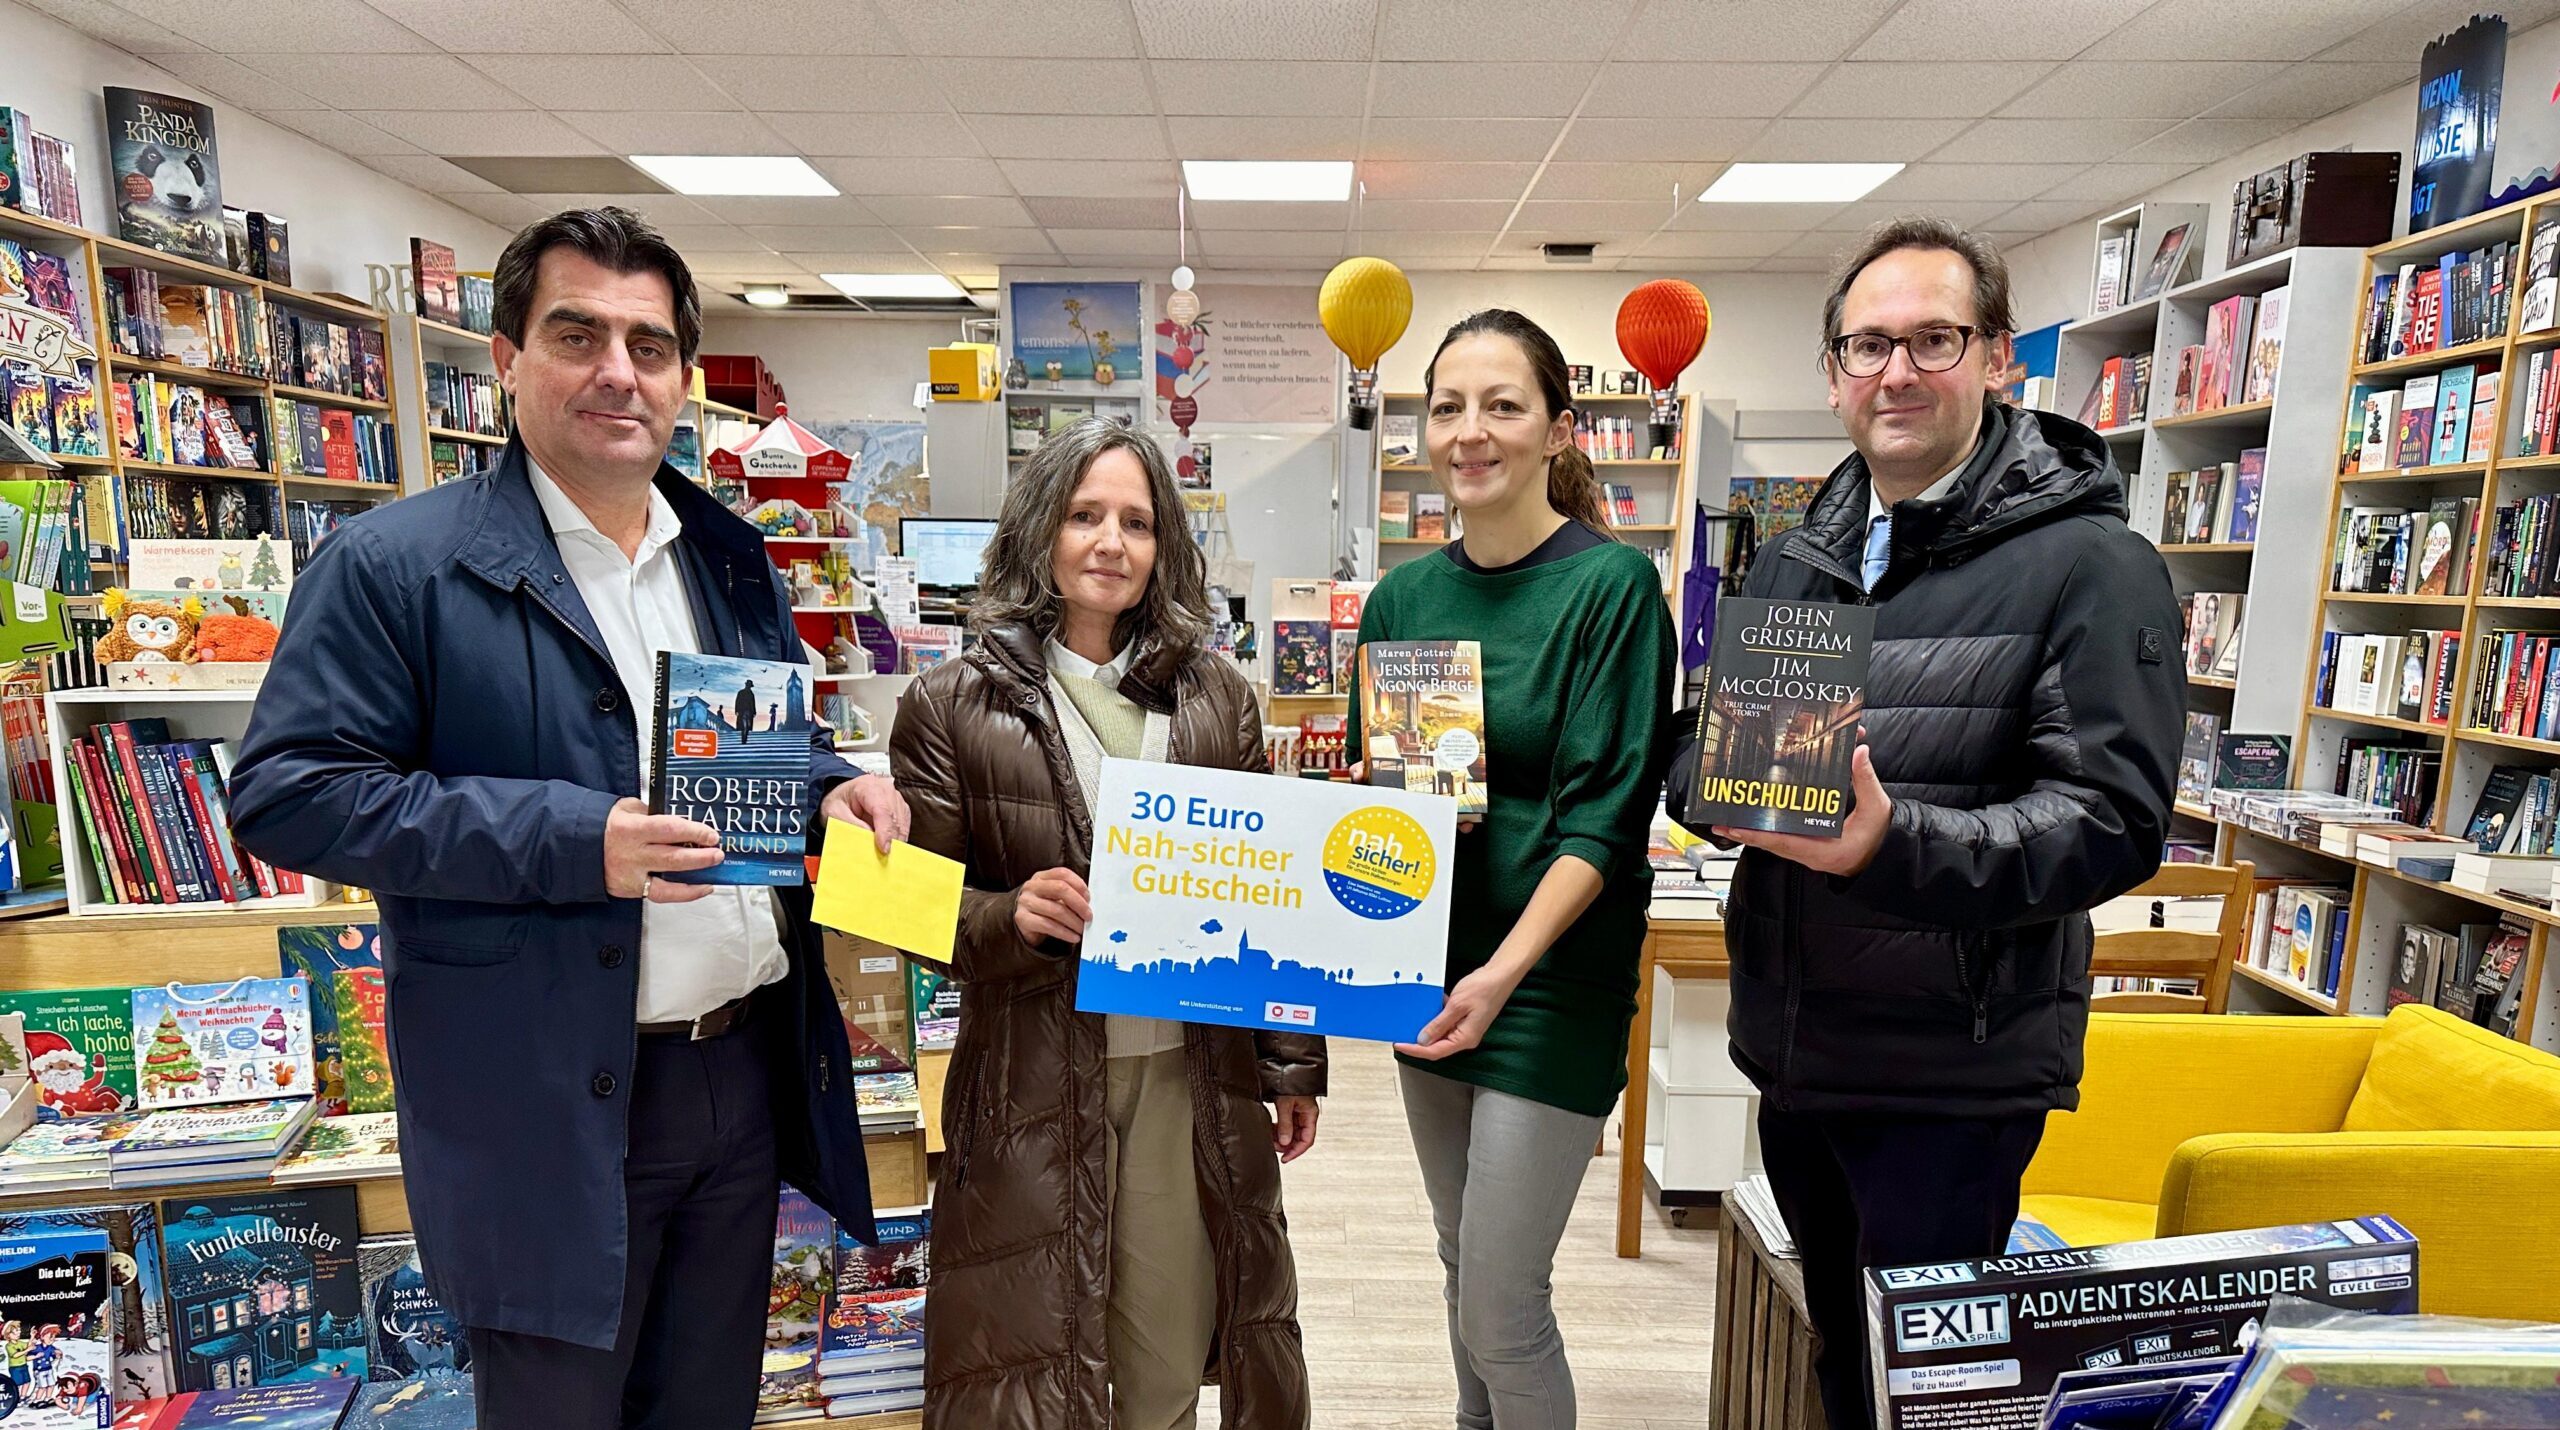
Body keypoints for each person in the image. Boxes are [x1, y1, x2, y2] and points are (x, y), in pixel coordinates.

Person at [227, 206, 911, 1430]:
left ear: (684, 379)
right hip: (543, 1106)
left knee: (706, 1410)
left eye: (649, 346)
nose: (617, 372)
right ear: (505, 357)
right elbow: (290, 789)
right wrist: (573, 838)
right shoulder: (397, 567)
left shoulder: (728, 557)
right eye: (577, 333)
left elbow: (744, 749)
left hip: (739, 1076)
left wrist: (827, 779)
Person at [1667, 217, 2183, 1430]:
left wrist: (1891, 846)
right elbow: (1717, 737)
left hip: (1952, 1071)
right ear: (1834, 371)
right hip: (1801, 1052)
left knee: (1936, 1405)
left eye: (1931, 340)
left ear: (1997, 356)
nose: (1895, 371)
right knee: (1846, 1368)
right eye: (1867, 345)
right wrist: (1704, 777)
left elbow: (2110, 818)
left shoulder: (2089, 563)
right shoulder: (1800, 555)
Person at [890, 416, 1325, 1430]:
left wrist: (1290, 1060)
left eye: (1135, 520)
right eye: (1085, 513)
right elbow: (906, 906)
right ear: (1041, 527)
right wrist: (1007, 914)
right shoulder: (951, 703)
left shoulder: (1218, 698)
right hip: (1032, 1076)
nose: (1109, 541)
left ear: (1163, 543)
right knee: (1036, 1364)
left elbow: (1276, 894)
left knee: (1167, 1355)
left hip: (1188, 1070)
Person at [1351, 310, 1676, 1430]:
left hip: (1547, 981)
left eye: (1501, 405)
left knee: (1502, 1302)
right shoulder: (1402, 601)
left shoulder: (1611, 590)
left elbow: (1604, 822)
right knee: (1458, 1261)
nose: (1469, 431)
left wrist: (1501, 970)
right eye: (1447, 406)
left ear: (1555, 428)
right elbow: (1420, 813)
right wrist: (1360, 823)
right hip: (1426, 967)